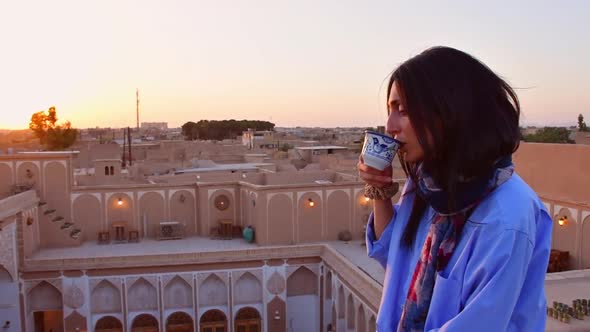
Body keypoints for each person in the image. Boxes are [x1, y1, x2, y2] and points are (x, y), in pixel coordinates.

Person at [359, 46, 552, 331]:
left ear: (451, 110)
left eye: (405, 111)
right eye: (390, 110)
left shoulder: (506, 216)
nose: (390, 126)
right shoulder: (427, 185)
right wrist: (380, 190)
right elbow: (394, 259)